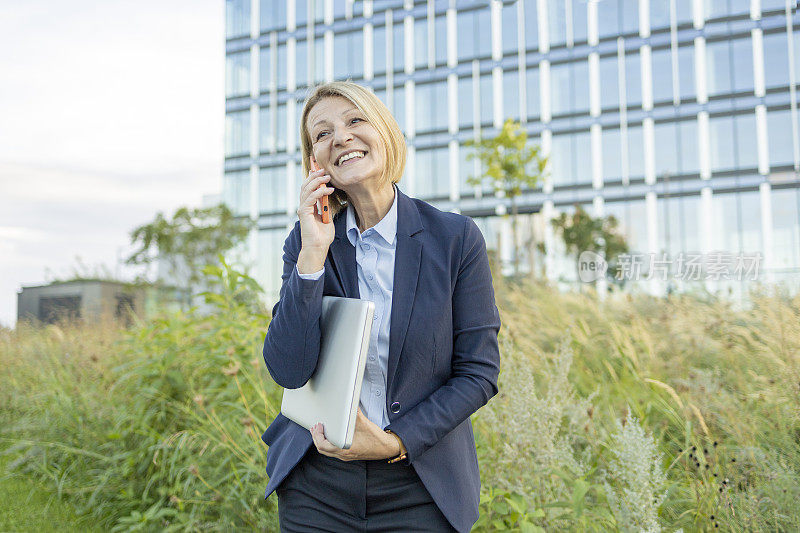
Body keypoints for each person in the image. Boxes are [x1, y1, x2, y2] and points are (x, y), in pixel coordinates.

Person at [260, 80, 501, 533]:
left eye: (355, 121)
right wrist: (313, 255)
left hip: (419, 482)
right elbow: (289, 370)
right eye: (323, 133)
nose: (342, 137)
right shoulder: (308, 241)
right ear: (315, 160)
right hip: (317, 485)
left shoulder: (455, 239)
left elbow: (478, 373)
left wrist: (394, 443)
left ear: (384, 132)